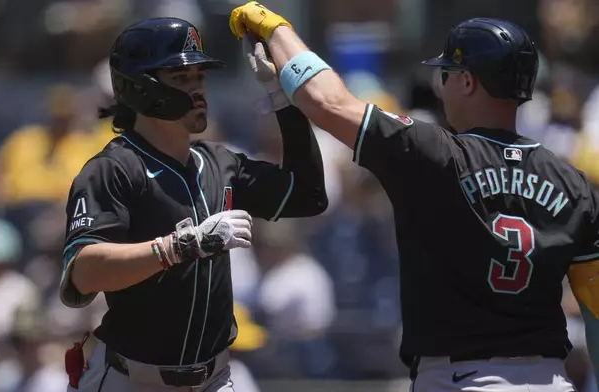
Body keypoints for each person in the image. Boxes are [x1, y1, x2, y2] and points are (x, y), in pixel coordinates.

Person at [230, 4, 599, 391]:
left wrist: (277, 29)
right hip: (550, 381)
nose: (442, 85)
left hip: (461, 379)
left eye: (448, 73)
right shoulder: (572, 182)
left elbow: (328, 101)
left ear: (469, 81)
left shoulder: (435, 154)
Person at [60, 17, 328, 392]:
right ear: (140, 88)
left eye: (199, 76)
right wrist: (180, 246)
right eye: (181, 77)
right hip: (131, 379)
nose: (198, 88)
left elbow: (308, 195)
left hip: (215, 378)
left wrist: (283, 97)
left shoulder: (219, 163)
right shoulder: (113, 169)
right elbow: (83, 274)